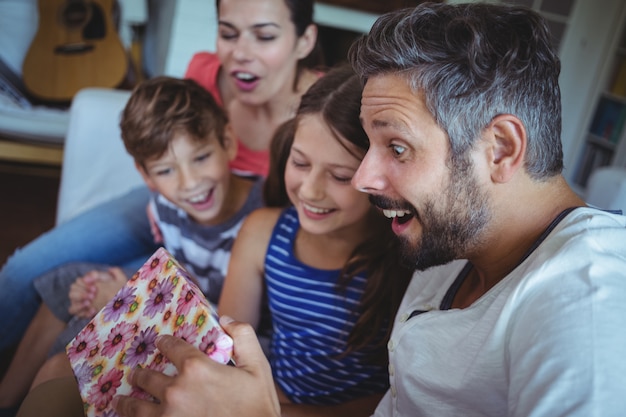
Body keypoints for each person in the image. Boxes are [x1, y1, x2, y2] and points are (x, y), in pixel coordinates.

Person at [59, 3, 624, 417]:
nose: (364, 179)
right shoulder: (453, 241)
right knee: (65, 380)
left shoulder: (586, 307)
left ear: (500, 149)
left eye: (396, 147)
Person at [0, 0, 323, 351]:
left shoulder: (322, 114)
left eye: (264, 36)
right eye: (228, 33)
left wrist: (133, 293)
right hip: (174, 209)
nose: (241, 53)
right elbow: (167, 150)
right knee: (25, 272)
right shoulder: (205, 71)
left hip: (233, 232)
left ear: (304, 41)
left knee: (99, 297)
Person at [0, 75, 265, 413]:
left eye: (200, 158)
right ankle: (7, 398)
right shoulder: (164, 204)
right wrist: (128, 292)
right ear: (146, 176)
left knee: (75, 345)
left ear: (228, 141)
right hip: (189, 299)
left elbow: (233, 325)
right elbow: (181, 270)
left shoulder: (258, 220)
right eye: (167, 170)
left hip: (221, 331)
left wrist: (126, 302)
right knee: (70, 281)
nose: (190, 183)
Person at [218, 64, 412, 413]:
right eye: (300, 163)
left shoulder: (404, 257)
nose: (309, 190)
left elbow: (397, 399)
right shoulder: (262, 233)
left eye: (339, 176)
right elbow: (227, 351)